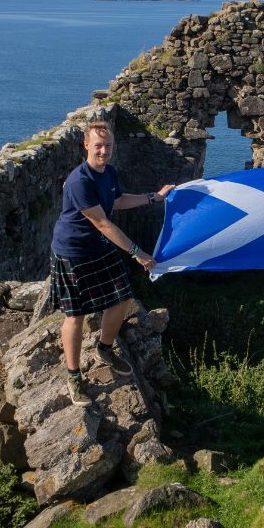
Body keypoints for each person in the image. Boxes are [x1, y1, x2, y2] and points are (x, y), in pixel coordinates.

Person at [50, 120, 174, 406]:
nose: (104, 151)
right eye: (98, 145)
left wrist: (153, 197)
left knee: (121, 298)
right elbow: (103, 223)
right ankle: (74, 376)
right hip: (73, 252)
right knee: (76, 315)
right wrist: (137, 252)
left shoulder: (109, 173)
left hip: (98, 248)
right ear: (86, 145)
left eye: (108, 146)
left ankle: (104, 349)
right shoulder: (80, 181)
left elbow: (116, 202)